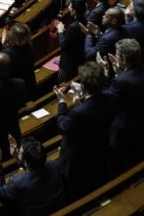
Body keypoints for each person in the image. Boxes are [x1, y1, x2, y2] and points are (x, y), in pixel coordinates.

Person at [55, 61, 112, 198]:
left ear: (84, 87)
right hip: (98, 148)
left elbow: (62, 127)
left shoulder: (78, 112)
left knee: (74, 189)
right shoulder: (110, 97)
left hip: (77, 156)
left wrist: (62, 102)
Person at [101, 38, 144, 170]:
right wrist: (119, 71)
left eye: (117, 55)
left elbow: (106, 99)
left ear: (124, 59)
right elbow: (130, 86)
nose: (115, 56)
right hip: (143, 123)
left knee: (118, 162)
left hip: (123, 130)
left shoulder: (121, 81)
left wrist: (106, 73)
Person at [0, 136, 66, 215]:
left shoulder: (18, 182)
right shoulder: (55, 165)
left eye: (20, 152)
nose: (18, 150)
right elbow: (35, 170)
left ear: (25, 162)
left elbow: (0, 192)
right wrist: (17, 157)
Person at [56, 0, 87, 82]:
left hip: (68, 64)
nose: (69, 8)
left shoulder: (73, 27)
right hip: (79, 59)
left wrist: (60, 31)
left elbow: (63, 44)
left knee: (64, 83)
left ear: (75, 11)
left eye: (70, 6)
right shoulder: (85, 20)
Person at [2, 22, 36, 100]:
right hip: (29, 81)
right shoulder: (30, 46)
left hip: (14, 86)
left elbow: (3, 65)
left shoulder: (7, 53)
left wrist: (4, 45)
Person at [120, 0, 144, 67]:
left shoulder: (134, 27)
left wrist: (126, 16)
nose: (128, 7)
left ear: (135, 11)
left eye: (130, 6)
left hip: (139, 59)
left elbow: (125, 33)